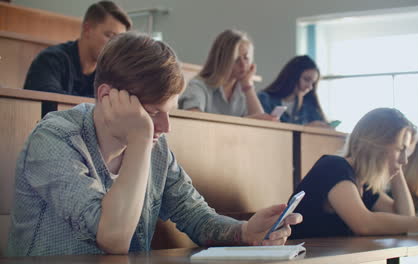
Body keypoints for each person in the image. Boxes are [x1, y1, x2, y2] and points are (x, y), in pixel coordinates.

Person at [7, 32, 302, 256]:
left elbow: (195, 215)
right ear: (108, 96)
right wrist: (139, 138)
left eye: (168, 113)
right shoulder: (54, 139)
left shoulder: (155, 145)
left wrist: (246, 231)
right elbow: (113, 238)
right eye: (151, 114)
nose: (164, 127)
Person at [289, 108, 418, 238]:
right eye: (400, 150)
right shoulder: (333, 167)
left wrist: (397, 169)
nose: (405, 160)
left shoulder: (361, 181)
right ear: (377, 146)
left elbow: (405, 217)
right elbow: (364, 223)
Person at [23, 1, 131, 97]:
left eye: (119, 40)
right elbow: (49, 103)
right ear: (87, 29)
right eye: (110, 36)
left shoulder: (109, 73)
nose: (115, 46)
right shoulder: (50, 60)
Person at [178, 29, 275, 121]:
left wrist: (248, 86)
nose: (243, 64)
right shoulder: (198, 86)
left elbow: (261, 125)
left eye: (246, 58)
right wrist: (245, 122)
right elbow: (194, 121)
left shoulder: (242, 90)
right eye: (236, 59)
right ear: (222, 60)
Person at [257, 55, 330, 127]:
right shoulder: (265, 99)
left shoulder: (309, 105)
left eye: (313, 83)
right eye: (306, 79)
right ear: (292, 76)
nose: (310, 87)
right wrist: (305, 128)